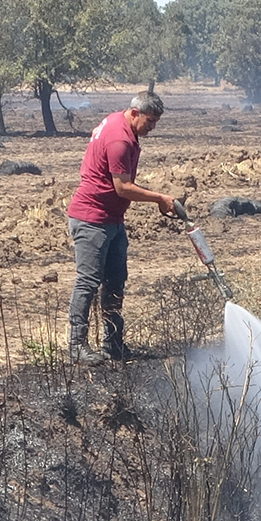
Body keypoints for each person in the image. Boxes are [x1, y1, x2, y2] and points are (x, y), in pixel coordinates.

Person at [65, 91, 174, 365]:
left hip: (112, 219)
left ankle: (113, 344)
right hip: (92, 218)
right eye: (149, 121)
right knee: (88, 281)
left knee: (115, 282)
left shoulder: (118, 124)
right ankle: (77, 346)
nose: (152, 127)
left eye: (156, 122)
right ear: (135, 113)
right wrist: (160, 198)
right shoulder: (119, 139)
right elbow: (122, 187)